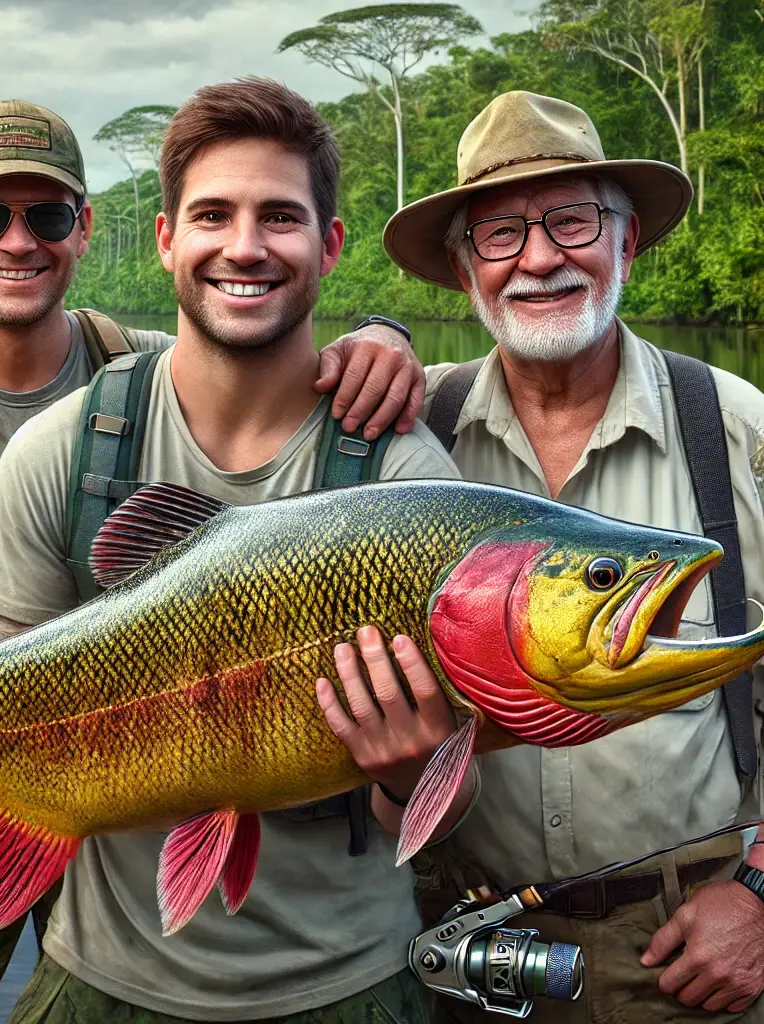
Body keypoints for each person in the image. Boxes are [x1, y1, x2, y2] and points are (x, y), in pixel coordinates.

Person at [0, 98, 434, 1024]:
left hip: (125, 785)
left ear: (87, 230)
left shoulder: (144, 359)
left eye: (48, 216)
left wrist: (387, 336)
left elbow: (255, 339)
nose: (17, 242)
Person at [0, 77, 470, 1023]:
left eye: (279, 217)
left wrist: (416, 771)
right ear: (167, 239)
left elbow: (446, 812)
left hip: (355, 979)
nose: (244, 246)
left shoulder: (407, 471)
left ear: (327, 247)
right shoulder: (57, 453)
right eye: (212, 214)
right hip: (103, 976)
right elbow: (10, 693)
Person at [380, 89, 764, 1022]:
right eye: (501, 235)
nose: (541, 258)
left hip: (688, 950)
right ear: (466, 274)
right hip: (457, 944)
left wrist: (760, 896)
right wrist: (373, 338)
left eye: (572, 220)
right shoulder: (403, 433)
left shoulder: (738, 429)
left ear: (626, 243)